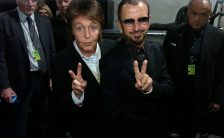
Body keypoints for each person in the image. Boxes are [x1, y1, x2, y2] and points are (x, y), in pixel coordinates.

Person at [99, 0, 174, 138]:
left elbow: (169, 89)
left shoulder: (157, 49)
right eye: (129, 21)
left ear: (149, 20)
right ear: (119, 25)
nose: (136, 27)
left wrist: (151, 88)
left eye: (142, 19)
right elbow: (111, 115)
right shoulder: (109, 62)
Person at [50, 0, 116, 138]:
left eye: (93, 27)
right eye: (79, 28)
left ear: (100, 28)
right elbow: (59, 110)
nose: (87, 35)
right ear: (72, 30)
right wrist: (76, 96)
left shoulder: (113, 49)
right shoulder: (59, 62)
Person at [163, 0, 224, 137]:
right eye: (194, 14)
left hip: (203, 95)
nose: (197, 19)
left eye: (203, 15)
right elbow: (165, 64)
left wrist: (217, 98)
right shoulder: (173, 32)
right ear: (188, 12)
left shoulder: (218, 37)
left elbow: (221, 70)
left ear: (209, 15)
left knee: (197, 129)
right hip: (177, 93)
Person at [0, 0, 55, 137]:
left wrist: (52, 76)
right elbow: (0, 57)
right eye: (26, 0)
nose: (31, 4)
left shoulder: (44, 21)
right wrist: (4, 86)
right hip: (17, 82)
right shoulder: (4, 20)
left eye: (34, 0)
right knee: (18, 125)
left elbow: (51, 52)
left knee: (41, 122)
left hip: (42, 80)